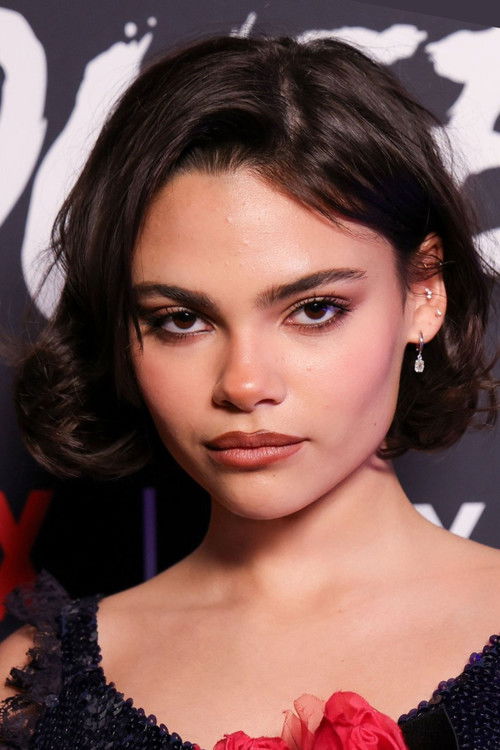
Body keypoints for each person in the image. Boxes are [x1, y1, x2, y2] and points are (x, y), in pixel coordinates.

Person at [0, 33, 498, 750]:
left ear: (424, 292)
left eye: (314, 309)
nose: (244, 384)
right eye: (181, 320)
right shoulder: (31, 693)